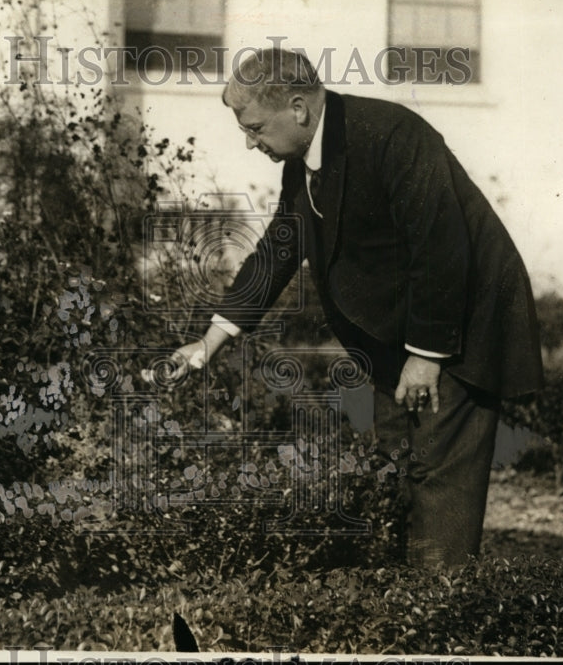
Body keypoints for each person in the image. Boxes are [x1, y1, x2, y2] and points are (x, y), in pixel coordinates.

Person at [169, 47, 543, 568]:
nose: (250, 143)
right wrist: (210, 342)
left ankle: (441, 610)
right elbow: (281, 247)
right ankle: (398, 602)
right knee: (394, 461)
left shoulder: (392, 135)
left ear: (298, 108)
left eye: (254, 128)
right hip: (405, 330)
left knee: (437, 469)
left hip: (461, 322)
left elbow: (442, 248)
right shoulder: (304, 160)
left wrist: (427, 356)